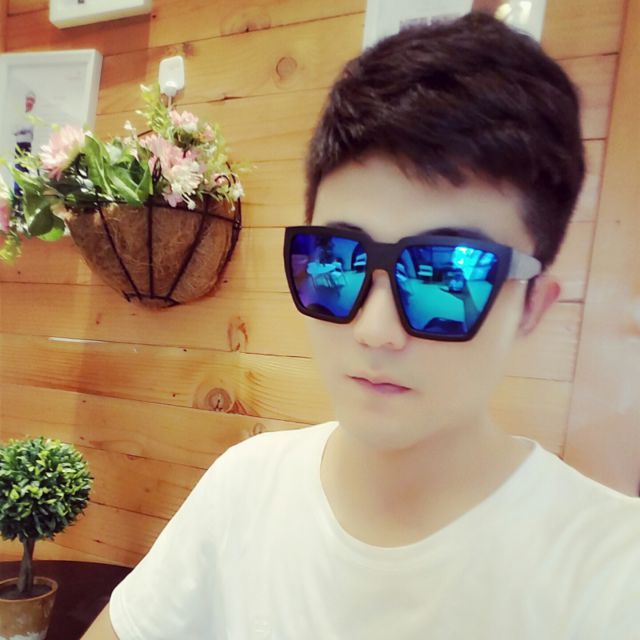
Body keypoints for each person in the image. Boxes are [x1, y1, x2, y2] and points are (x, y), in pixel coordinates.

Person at [82, 12, 640, 640]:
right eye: (337, 261)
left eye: (446, 276)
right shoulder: (246, 487)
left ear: (534, 304)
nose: (376, 330)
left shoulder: (612, 574)